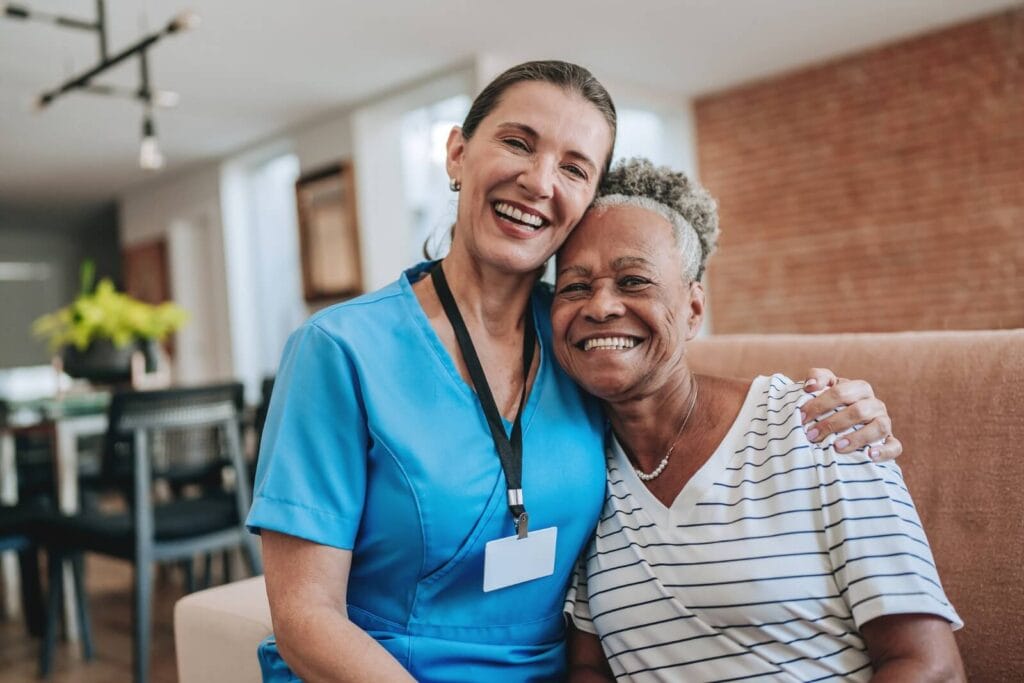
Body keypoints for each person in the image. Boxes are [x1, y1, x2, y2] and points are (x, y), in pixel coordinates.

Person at [247, 61, 901, 682]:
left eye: (574, 167)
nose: (539, 181)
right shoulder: (339, 348)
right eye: (517, 142)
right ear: (457, 154)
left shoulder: (582, 340)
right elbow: (306, 617)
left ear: (586, 200)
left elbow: (685, 396)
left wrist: (834, 406)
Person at [557, 159, 964, 682]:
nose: (601, 305)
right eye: (574, 287)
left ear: (693, 309)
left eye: (633, 281)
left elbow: (930, 666)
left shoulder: (820, 423)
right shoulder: (577, 469)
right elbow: (589, 668)